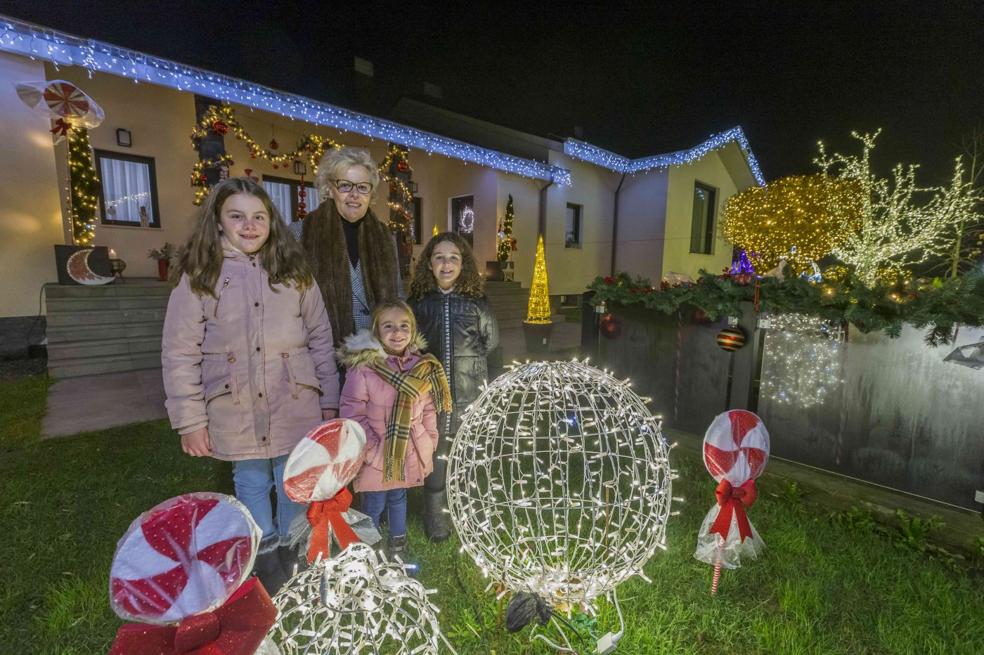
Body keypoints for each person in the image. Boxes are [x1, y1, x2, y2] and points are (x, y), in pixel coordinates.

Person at [162, 177, 339, 593]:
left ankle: (295, 543)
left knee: (292, 477)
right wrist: (190, 419)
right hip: (236, 404)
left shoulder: (294, 273)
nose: (249, 225)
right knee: (252, 478)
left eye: (259, 216)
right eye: (237, 216)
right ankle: (263, 549)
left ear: (271, 222)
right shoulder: (200, 276)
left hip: (293, 400)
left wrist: (328, 400)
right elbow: (179, 350)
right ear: (218, 222)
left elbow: (320, 338)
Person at [339, 301, 451, 558]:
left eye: (404, 325)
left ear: (412, 330)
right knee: (374, 502)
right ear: (377, 330)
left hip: (409, 448)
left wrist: (430, 438)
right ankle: (367, 547)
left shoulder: (421, 366)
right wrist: (373, 451)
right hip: (377, 452)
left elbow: (430, 408)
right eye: (388, 326)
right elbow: (352, 413)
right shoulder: (364, 370)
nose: (397, 332)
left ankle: (398, 542)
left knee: (399, 497)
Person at [408, 232, 499, 541]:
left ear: (464, 264)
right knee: (435, 453)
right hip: (431, 395)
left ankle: (468, 512)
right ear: (429, 265)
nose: (446, 264)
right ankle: (435, 516)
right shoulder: (419, 303)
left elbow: (492, 343)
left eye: (453, 258)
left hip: (470, 390)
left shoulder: (477, 302)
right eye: (439, 257)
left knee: (468, 453)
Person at [291, 147, 402, 347]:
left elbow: (398, 297)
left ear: (371, 193)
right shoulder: (299, 233)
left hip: (378, 354)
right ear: (329, 188)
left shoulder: (386, 237)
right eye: (345, 186)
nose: (354, 195)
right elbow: (289, 306)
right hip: (323, 355)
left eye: (362, 187)